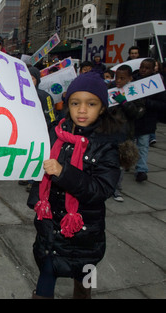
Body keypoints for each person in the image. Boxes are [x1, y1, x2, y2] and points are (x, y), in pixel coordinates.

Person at [27, 72, 122, 299]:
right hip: (52, 231)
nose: (81, 110)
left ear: (101, 108)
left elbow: (101, 190)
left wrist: (63, 172)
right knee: (45, 279)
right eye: (75, 103)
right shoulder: (55, 133)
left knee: (85, 282)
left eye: (91, 104)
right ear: (67, 104)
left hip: (87, 236)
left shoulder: (106, 146)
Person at [109, 65, 144, 201]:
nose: (118, 80)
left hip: (125, 134)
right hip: (109, 131)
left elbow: (138, 113)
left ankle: (117, 189)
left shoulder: (135, 93)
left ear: (130, 78)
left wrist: (124, 103)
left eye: (122, 78)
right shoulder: (110, 90)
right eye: (117, 77)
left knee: (121, 163)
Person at [132, 58, 166, 182]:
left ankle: (141, 170)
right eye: (142, 67)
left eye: (147, 68)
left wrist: (147, 102)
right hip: (131, 119)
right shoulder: (132, 80)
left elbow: (162, 104)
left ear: (153, 69)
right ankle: (127, 163)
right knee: (128, 144)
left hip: (146, 121)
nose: (143, 70)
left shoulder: (157, 83)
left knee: (143, 146)